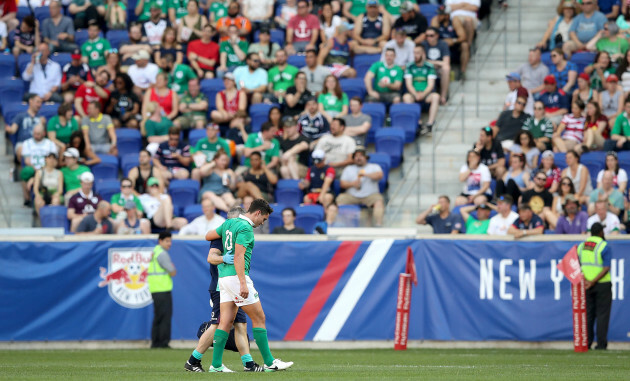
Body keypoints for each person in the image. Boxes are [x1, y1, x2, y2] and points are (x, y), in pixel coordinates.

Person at [204, 199, 294, 372]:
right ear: (258, 213)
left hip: (223, 278)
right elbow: (238, 257)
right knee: (259, 318)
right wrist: (243, 283)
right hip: (237, 278)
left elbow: (208, 236)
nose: (262, 223)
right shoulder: (245, 228)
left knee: (226, 322)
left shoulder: (229, 223)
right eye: (264, 219)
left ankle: (215, 365)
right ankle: (269, 362)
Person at [184, 206, 265, 373]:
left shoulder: (237, 234)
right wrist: (223, 258)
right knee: (218, 325)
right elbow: (210, 258)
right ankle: (194, 360)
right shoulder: (221, 236)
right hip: (221, 287)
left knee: (241, 324)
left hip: (231, 285)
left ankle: (248, 364)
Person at [578, 222, 613, 349]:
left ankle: (586, 343)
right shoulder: (603, 246)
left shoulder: (581, 246)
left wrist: (587, 280)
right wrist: (593, 281)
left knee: (588, 315)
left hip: (586, 285)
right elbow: (606, 267)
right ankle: (601, 344)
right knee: (602, 315)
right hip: (602, 284)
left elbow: (577, 265)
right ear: (601, 232)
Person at [337, 148, 384, 227]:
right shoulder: (348, 169)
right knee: (340, 199)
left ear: (366, 157)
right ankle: (343, 225)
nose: (358, 158)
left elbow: (379, 175)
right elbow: (342, 184)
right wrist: (352, 184)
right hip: (352, 196)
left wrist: (365, 175)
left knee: (379, 201)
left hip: (370, 195)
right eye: (356, 156)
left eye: (361, 156)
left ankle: (378, 225)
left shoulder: (374, 167)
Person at [148, 231, 177, 349]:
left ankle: (156, 342)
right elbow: (172, 271)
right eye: (167, 241)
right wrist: (173, 268)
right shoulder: (162, 254)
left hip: (156, 288)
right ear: (160, 241)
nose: (169, 243)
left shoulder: (155, 252)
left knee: (158, 317)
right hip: (162, 288)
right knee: (165, 317)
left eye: (170, 241)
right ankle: (163, 342)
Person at [403, 44, 440, 134]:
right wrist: (416, 94)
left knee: (436, 96)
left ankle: (430, 124)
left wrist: (423, 94)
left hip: (426, 94)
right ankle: (418, 123)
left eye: (418, 53)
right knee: (406, 97)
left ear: (423, 54)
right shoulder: (409, 66)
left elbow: (431, 84)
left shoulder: (429, 66)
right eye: (414, 53)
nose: (415, 55)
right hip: (414, 94)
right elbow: (409, 84)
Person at [20, 124, 58, 206]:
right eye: (34, 133)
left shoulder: (50, 144)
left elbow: (53, 160)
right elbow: (27, 160)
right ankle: (27, 198)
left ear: (44, 133)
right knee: (25, 171)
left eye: (38, 134)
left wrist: (41, 171)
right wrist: (38, 172)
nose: (36, 136)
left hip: (47, 168)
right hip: (33, 168)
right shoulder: (27, 143)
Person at [5, 94, 45, 163]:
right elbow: (13, 129)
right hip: (22, 143)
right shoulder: (20, 116)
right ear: (30, 101)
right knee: (21, 150)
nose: (39, 105)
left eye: (41, 103)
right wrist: (9, 129)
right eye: (37, 102)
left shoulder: (41, 118)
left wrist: (43, 124)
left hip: (37, 143)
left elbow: (44, 134)